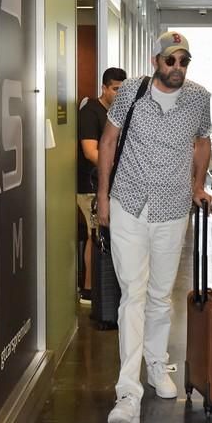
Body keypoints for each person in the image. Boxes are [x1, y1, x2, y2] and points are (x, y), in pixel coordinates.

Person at [96, 31, 212, 423]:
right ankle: (128, 391)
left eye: (183, 62)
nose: (177, 68)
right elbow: (108, 142)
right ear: (155, 61)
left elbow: (202, 143)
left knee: (161, 296)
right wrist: (103, 197)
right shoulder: (130, 91)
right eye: (170, 61)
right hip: (128, 203)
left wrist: (198, 185)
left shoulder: (199, 97)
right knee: (134, 295)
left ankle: (157, 365)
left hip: (173, 207)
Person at [77, 67, 127, 304]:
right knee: (94, 235)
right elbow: (90, 152)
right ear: (104, 88)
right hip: (90, 185)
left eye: (122, 89)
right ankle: (88, 289)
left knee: (108, 235)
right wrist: (117, 164)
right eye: (115, 89)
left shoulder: (119, 114)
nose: (119, 94)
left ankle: (106, 288)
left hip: (112, 184)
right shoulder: (91, 112)